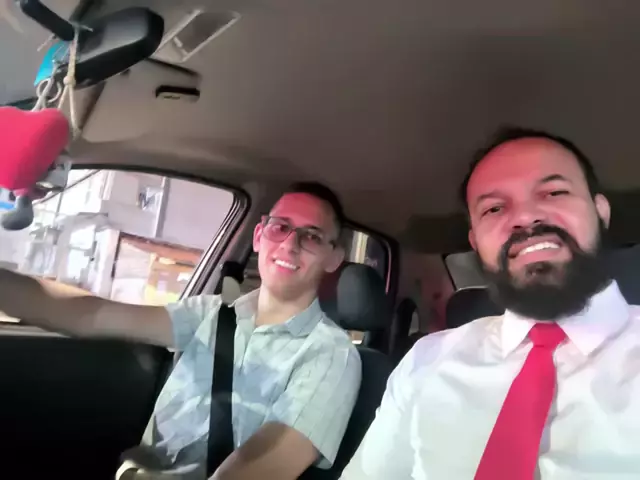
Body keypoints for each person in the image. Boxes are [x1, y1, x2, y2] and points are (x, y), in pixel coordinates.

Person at [0, 182, 362, 480]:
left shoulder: (331, 353)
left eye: (312, 237)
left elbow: (264, 465)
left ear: (334, 258)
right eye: (280, 227)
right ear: (258, 236)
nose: (290, 244)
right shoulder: (211, 314)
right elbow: (93, 315)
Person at [341, 127, 640, 479]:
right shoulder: (426, 361)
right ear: (475, 242)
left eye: (554, 192)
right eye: (494, 208)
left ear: (600, 211)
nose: (525, 217)